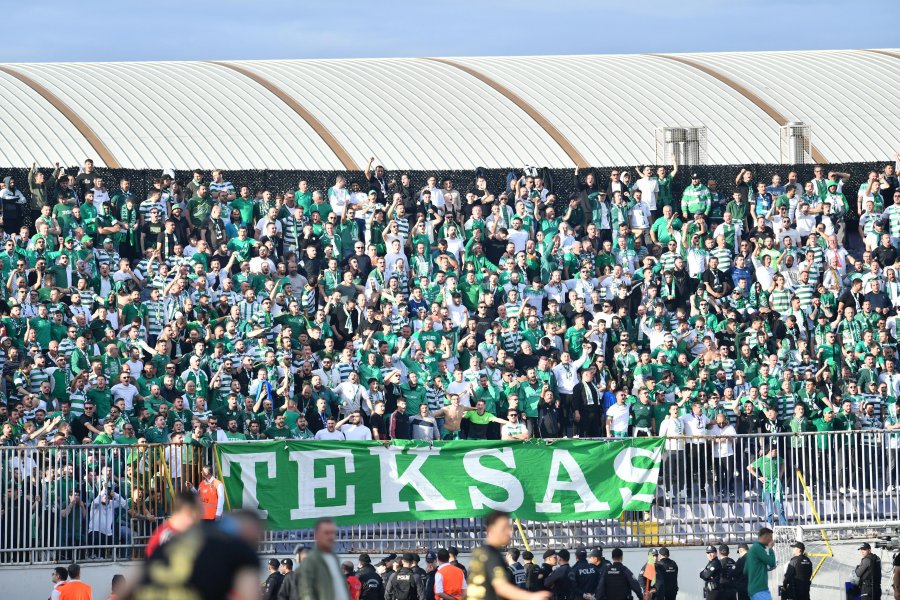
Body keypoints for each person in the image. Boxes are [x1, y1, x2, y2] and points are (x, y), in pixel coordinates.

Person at [131, 510, 262, 600]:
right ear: (251, 530)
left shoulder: (177, 541)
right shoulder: (241, 550)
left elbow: (132, 580)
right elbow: (250, 595)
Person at [466, 510, 551, 600]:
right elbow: (501, 587)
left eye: (509, 527)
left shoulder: (479, 551)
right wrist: (531, 596)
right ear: (490, 529)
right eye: (504, 528)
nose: (509, 532)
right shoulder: (492, 555)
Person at [298, 518, 351, 600]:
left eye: (333, 533)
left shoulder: (335, 558)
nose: (331, 536)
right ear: (316, 535)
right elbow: (307, 593)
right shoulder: (310, 561)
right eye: (326, 533)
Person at [146, 490, 202, 557]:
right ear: (189, 510)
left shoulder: (194, 533)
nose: (202, 512)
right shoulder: (164, 536)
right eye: (199, 509)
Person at [744, 528, 776, 600]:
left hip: (753, 589)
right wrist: (770, 548)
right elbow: (772, 562)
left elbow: (745, 570)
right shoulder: (758, 548)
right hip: (760, 589)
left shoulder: (752, 549)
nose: (771, 540)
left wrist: (763, 568)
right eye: (770, 537)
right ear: (765, 537)